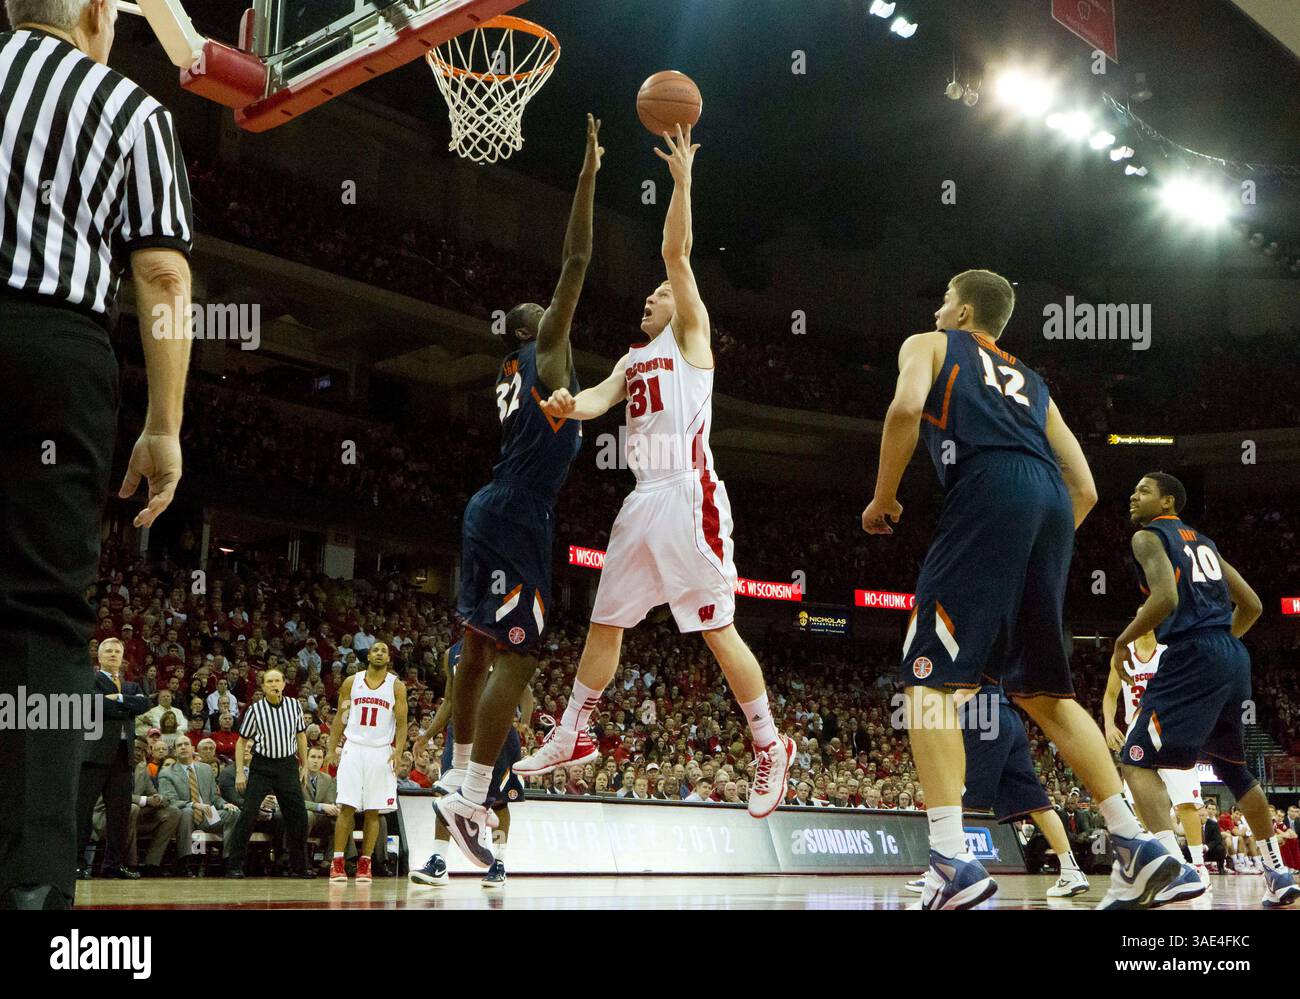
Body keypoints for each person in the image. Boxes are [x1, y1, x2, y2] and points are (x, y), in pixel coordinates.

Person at [861, 269, 1175, 910]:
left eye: (944, 298)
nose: (939, 307)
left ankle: (951, 861)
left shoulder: (928, 343)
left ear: (964, 309)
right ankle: (1136, 845)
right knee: (1044, 691)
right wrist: (1036, 541)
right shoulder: (1034, 383)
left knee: (928, 681)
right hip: (1051, 505)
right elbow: (1084, 485)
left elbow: (901, 410)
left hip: (988, 490)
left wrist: (884, 496)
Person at [514, 122, 795, 824]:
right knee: (605, 622)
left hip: (688, 491)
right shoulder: (632, 359)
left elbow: (675, 250)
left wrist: (681, 183)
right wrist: (563, 401)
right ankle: (575, 729)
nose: (651, 296)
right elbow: (594, 402)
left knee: (715, 628)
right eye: (649, 294)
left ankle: (769, 742)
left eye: (658, 293)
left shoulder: (691, 333)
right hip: (642, 500)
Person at [0, 0, 193, 910]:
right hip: (54, 349)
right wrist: (164, 422)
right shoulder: (131, 108)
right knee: (41, 619)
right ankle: (34, 889)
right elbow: (159, 274)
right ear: (90, 15)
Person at [431, 116, 600, 872]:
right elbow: (576, 256)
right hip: (521, 513)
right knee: (523, 659)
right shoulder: (548, 350)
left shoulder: (512, 372)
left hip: (487, 505)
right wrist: (589, 174)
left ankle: (454, 773)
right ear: (546, 331)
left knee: (474, 653)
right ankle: (469, 793)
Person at [1115, 472, 1297, 908]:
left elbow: (1165, 600)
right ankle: (1279, 872)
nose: (1133, 496)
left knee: (1135, 760)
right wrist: (1222, 645)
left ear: (1168, 501)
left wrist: (1122, 640)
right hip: (1231, 655)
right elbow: (1251, 604)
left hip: (1192, 652)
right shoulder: (1207, 544)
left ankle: (1169, 867)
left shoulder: (1147, 536)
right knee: (1233, 767)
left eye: (1143, 490)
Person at [412, 639, 530, 890]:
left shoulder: (505, 647)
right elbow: (450, 700)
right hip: (461, 733)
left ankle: (498, 863)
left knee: (498, 801)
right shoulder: (452, 653)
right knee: (445, 795)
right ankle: (438, 861)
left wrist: (525, 722)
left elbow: (524, 691)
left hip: (496, 731)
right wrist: (427, 734)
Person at [1103, 624, 1210, 890]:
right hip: (1137, 732)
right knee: (1142, 804)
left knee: (1186, 802)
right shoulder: (1124, 655)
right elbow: (1111, 695)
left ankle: (1198, 865)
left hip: (1171, 729)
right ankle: (1166, 862)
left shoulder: (1168, 652)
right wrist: (1108, 724)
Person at [325, 642, 406, 884]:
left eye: (384, 650)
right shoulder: (352, 682)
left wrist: (399, 751)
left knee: (373, 810)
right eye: (375, 650)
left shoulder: (396, 686)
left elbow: (402, 723)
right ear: (368, 655)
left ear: (389, 658)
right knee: (346, 806)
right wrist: (331, 748)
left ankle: (365, 863)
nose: (379, 653)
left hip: (381, 750)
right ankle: (337, 861)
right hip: (354, 748)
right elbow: (341, 717)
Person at [224, 668, 314, 879]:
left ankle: (298, 867)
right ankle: (234, 865)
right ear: (263, 687)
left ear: (283, 684)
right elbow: (241, 741)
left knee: (298, 816)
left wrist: (305, 765)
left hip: (287, 765)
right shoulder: (255, 710)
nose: (274, 685)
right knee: (247, 814)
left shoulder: (294, 706)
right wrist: (239, 772)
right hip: (262, 766)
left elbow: (301, 736)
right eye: (269, 682)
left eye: (277, 681)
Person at [76, 638, 150, 881]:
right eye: (108, 651)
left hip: (123, 756)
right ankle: (76, 864)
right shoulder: (90, 679)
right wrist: (125, 705)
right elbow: (94, 705)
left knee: (119, 815)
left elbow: (145, 704)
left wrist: (116, 700)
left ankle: (113, 865)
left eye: (117, 651)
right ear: (99, 656)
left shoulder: (130, 685)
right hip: (94, 755)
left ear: (122, 657)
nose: (113, 654)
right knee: (82, 811)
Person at [159, 736, 239, 876]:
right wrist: (195, 805)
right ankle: (185, 862)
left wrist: (225, 804)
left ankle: (229, 862)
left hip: (208, 814)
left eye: (186, 744)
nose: (183, 747)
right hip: (184, 815)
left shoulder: (206, 769)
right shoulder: (167, 773)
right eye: (179, 745)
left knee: (234, 813)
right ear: (175, 751)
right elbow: (170, 801)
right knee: (188, 811)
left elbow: (214, 796)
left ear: (193, 749)